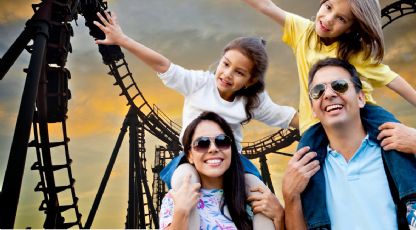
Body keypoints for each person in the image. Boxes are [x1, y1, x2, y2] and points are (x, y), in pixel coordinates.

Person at [93, 11, 294, 229]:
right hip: (191, 160)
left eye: (239, 72)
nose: (227, 74)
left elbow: (287, 116)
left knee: (259, 192)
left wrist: (328, 118)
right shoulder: (200, 83)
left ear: (249, 81)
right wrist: (123, 40)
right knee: (186, 184)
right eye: (225, 64)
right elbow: (163, 66)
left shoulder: (252, 102)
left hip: (234, 162)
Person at [241, 0, 416, 228]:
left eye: (341, 18)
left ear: (351, 28)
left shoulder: (354, 53)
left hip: (367, 111)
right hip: (312, 123)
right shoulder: (303, 32)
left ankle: (415, 202)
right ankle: (318, 224)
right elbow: (266, 6)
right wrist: (290, 196)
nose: (329, 19)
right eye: (328, 8)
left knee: (394, 136)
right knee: (304, 168)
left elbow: (394, 81)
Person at [282, 57, 416, 229]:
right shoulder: (307, 172)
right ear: (312, 110)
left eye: (339, 85)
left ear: (361, 98)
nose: (328, 94)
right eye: (318, 91)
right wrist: (290, 197)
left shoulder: (399, 151)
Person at [159, 111, 253, 230]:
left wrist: (279, 215)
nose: (213, 149)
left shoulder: (252, 197)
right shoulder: (174, 198)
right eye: (202, 143)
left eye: (222, 141)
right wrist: (181, 212)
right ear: (190, 156)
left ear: (232, 150)